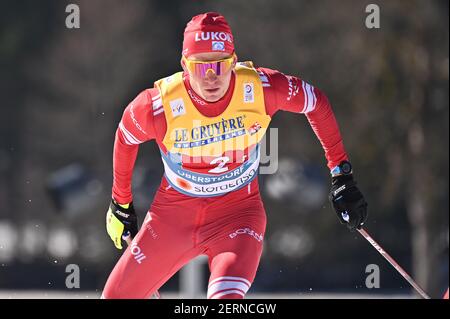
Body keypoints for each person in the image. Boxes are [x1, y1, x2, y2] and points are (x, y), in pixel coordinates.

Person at [102, 12, 368, 299]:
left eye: (222, 65)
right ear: (185, 66)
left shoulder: (262, 89)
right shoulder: (157, 106)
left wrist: (342, 175)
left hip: (237, 217)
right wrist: (121, 204)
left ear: (234, 61)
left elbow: (316, 103)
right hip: (171, 220)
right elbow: (125, 137)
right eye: (202, 68)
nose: (213, 77)